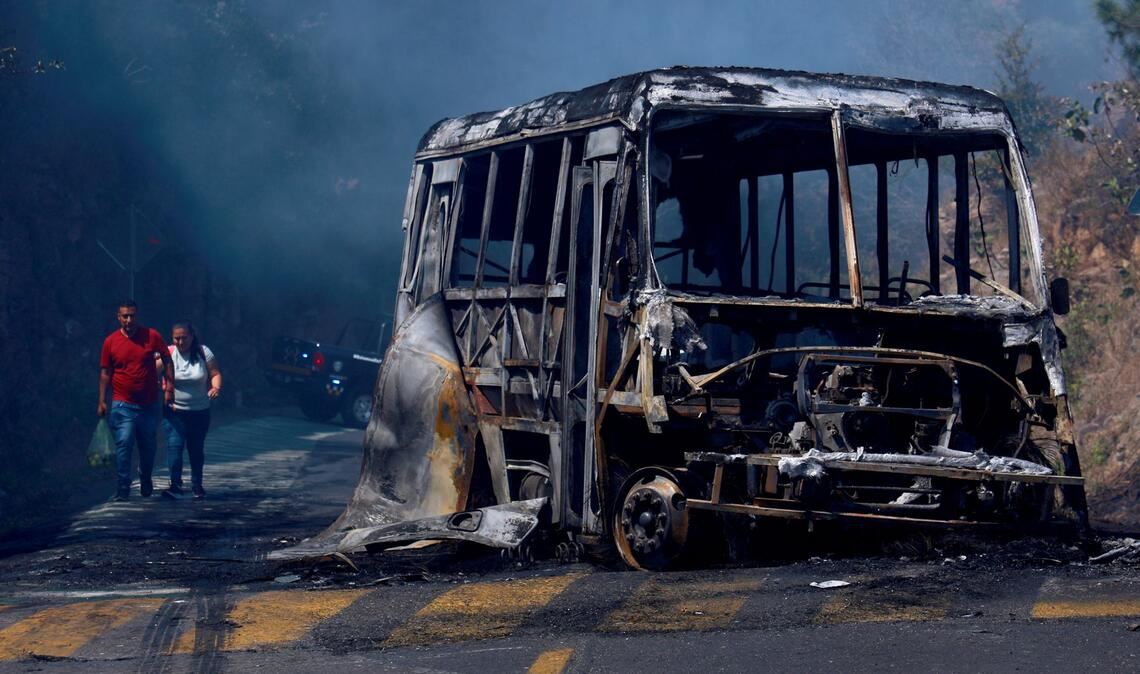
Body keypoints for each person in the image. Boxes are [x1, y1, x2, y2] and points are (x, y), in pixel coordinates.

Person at [98, 300, 174, 501]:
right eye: (125, 316)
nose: (129, 320)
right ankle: (123, 487)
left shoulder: (151, 336)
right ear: (118, 317)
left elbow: (167, 359)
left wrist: (170, 387)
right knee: (124, 443)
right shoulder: (110, 342)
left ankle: (145, 476)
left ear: (137, 316)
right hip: (122, 403)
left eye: (132, 315)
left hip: (148, 404)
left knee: (148, 445)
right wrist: (102, 400)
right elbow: (105, 372)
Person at [160, 320, 222, 500]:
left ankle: (197, 484)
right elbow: (150, 371)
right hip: (174, 411)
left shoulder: (203, 352)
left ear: (192, 337)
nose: (180, 342)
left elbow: (215, 373)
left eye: (184, 338)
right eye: (176, 338)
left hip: (199, 411)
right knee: (174, 446)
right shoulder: (168, 353)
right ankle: (175, 485)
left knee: (196, 448)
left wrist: (215, 388)